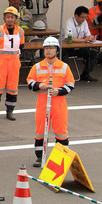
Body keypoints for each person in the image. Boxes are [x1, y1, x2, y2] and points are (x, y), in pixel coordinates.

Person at [27, 36, 75, 167]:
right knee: (40, 130)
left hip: (59, 104)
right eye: (46, 48)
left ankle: (61, 158)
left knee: (61, 131)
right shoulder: (37, 67)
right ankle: (39, 157)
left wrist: (59, 91)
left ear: (57, 50)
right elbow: (30, 81)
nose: (48, 51)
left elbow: (70, 84)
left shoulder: (64, 67)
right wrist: (38, 85)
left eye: (51, 48)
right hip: (42, 103)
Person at [0, 6, 25, 120]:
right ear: (4, 17)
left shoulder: (20, 31)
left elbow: (22, 46)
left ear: (16, 18)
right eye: (8, 17)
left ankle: (10, 110)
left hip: (14, 63)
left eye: (12, 17)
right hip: (1, 63)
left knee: (12, 87)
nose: (10, 19)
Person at [63, 5, 99, 82]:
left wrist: (91, 38)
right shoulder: (69, 22)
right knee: (63, 54)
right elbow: (68, 38)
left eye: (86, 17)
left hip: (79, 47)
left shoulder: (84, 22)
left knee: (94, 52)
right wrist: (84, 40)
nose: (84, 19)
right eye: (82, 17)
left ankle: (86, 74)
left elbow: (88, 34)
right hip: (67, 47)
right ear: (76, 16)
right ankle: (65, 76)